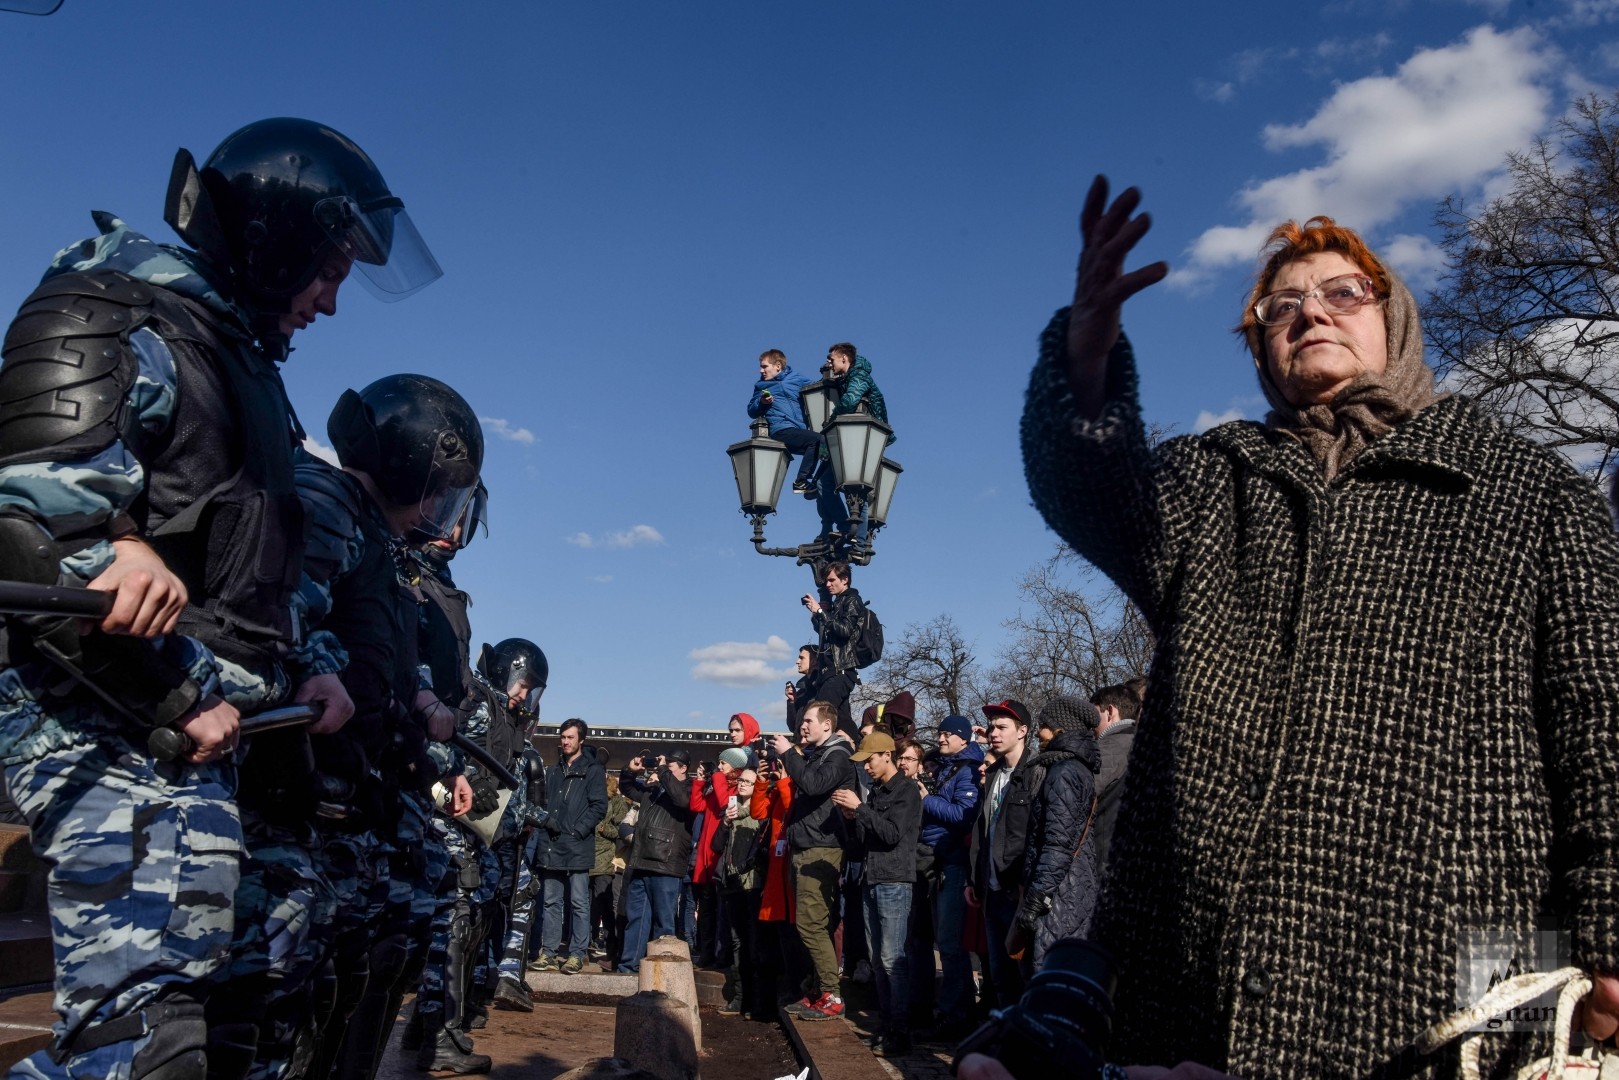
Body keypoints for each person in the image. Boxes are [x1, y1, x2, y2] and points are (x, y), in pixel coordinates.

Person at [1018, 177, 1619, 1078]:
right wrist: (1085, 355)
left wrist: (1608, 927)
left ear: (1395, 319)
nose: (1310, 314)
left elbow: (1602, 718)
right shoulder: (1212, 481)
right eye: (1280, 306)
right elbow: (1093, 496)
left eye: (1343, 292)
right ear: (1260, 346)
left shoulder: (1531, 494)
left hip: (1465, 967)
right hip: (1197, 972)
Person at [0, 114, 440, 1080]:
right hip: (105, 724)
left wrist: (320, 672)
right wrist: (172, 691)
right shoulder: (110, 313)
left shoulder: (238, 364)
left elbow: (257, 580)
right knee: (142, 1045)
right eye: (324, 271)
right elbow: (35, 530)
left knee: (242, 1015)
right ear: (275, 239)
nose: (328, 302)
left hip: (208, 735)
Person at [833, 731, 922, 1057]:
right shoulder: (875, 795)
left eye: (869, 760)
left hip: (895, 882)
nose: (866, 767)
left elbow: (892, 835)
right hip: (872, 880)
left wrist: (862, 810)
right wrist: (852, 817)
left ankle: (899, 1030)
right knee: (878, 959)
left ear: (886, 755)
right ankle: (887, 1025)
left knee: (892, 960)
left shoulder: (906, 791)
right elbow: (863, 843)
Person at [770, 701, 858, 1021]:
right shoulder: (818, 755)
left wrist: (788, 754)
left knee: (811, 924)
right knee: (808, 924)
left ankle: (832, 995)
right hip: (806, 845)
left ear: (827, 726)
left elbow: (814, 784)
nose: (802, 726)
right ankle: (818, 991)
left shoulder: (838, 755)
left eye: (808, 721)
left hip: (822, 848)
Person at [1011, 697, 1100, 970]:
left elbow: (1057, 843)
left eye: (1044, 725)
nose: (1039, 732)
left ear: (1061, 728)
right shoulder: (1075, 768)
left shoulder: (1063, 772)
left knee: (1047, 974)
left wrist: (1037, 897)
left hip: (1060, 895)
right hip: (1069, 888)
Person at [966, 700, 1037, 1008]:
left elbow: (1036, 835)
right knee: (1000, 976)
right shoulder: (993, 774)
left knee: (1025, 973)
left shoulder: (1036, 773)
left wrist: (1027, 885)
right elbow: (985, 829)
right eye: (992, 726)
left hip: (1017, 891)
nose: (994, 732)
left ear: (1022, 731)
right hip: (991, 890)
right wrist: (975, 878)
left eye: (1002, 727)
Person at [916, 716, 982, 1032]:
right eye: (940, 732)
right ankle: (951, 1013)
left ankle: (957, 1018)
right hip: (939, 862)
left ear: (962, 738)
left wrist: (926, 800)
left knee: (951, 946)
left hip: (954, 864)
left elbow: (963, 815)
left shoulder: (967, 771)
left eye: (946, 734)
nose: (940, 738)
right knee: (944, 942)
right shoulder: (949, 767)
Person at [532, 718, 608, 976]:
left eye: (570, 737)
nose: (565, 742)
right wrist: (546, 821)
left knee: (578, 903)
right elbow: (540, 802)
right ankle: (549, 953)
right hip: (552, 843)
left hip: (577, 845)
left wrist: (578, 830)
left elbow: (600, 806)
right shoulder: (552, 771)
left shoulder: (593, 770)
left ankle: (577, 954)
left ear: (581, 740)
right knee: (551, 901)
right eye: (563, 737)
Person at [617, 750, 696, 974]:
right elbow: (629, 789)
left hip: (667, 864)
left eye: (671, 765)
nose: (665, 767)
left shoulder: (691, 788)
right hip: (641, 861)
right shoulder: (655, 789)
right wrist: (629, 771)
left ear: (683, 768)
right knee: (637, 920)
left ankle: (663, 974)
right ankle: (628, 968)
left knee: (664, 924)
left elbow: (681, 800)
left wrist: (662, 771)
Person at [715, 758, 768, 1019]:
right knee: (737, 942)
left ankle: (756, 1001)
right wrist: (725, 823)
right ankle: (739, 997)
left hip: (754, 885)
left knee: (755, 942)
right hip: (732, 884)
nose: (743, 785)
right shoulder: (731, 812)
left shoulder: (761, 813)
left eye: (749, 781)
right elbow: (715, 846)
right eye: (741, 781)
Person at [802, 561, 866, 739]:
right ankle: (859, 753)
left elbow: (845, 630)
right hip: (831, 671)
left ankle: (810, 751)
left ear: (845, 580)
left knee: (819, 711)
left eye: (831, 580)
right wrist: (816, 614)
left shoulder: (852, 600)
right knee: (843, 721)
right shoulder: (839, 602)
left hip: (841, 671)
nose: (827, 585)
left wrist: (821, 613)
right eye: (826, 581)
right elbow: (828, 633)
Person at [1088, 682, 1139, 871]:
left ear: (1110, 712)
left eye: (1093, 715)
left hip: (1104, 859)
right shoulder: (1148, 746)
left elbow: (1083, 798)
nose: (1090, 725)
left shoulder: (1107, 750)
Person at [590, 765, 631, 967]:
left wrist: (604, 829)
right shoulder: (586, 797)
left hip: (606, 862)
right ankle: (581, 950)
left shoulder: (614, 801)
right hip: (584, 859)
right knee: (585, 908)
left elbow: (623, 829)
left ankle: (613, 952)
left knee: (607, 908)